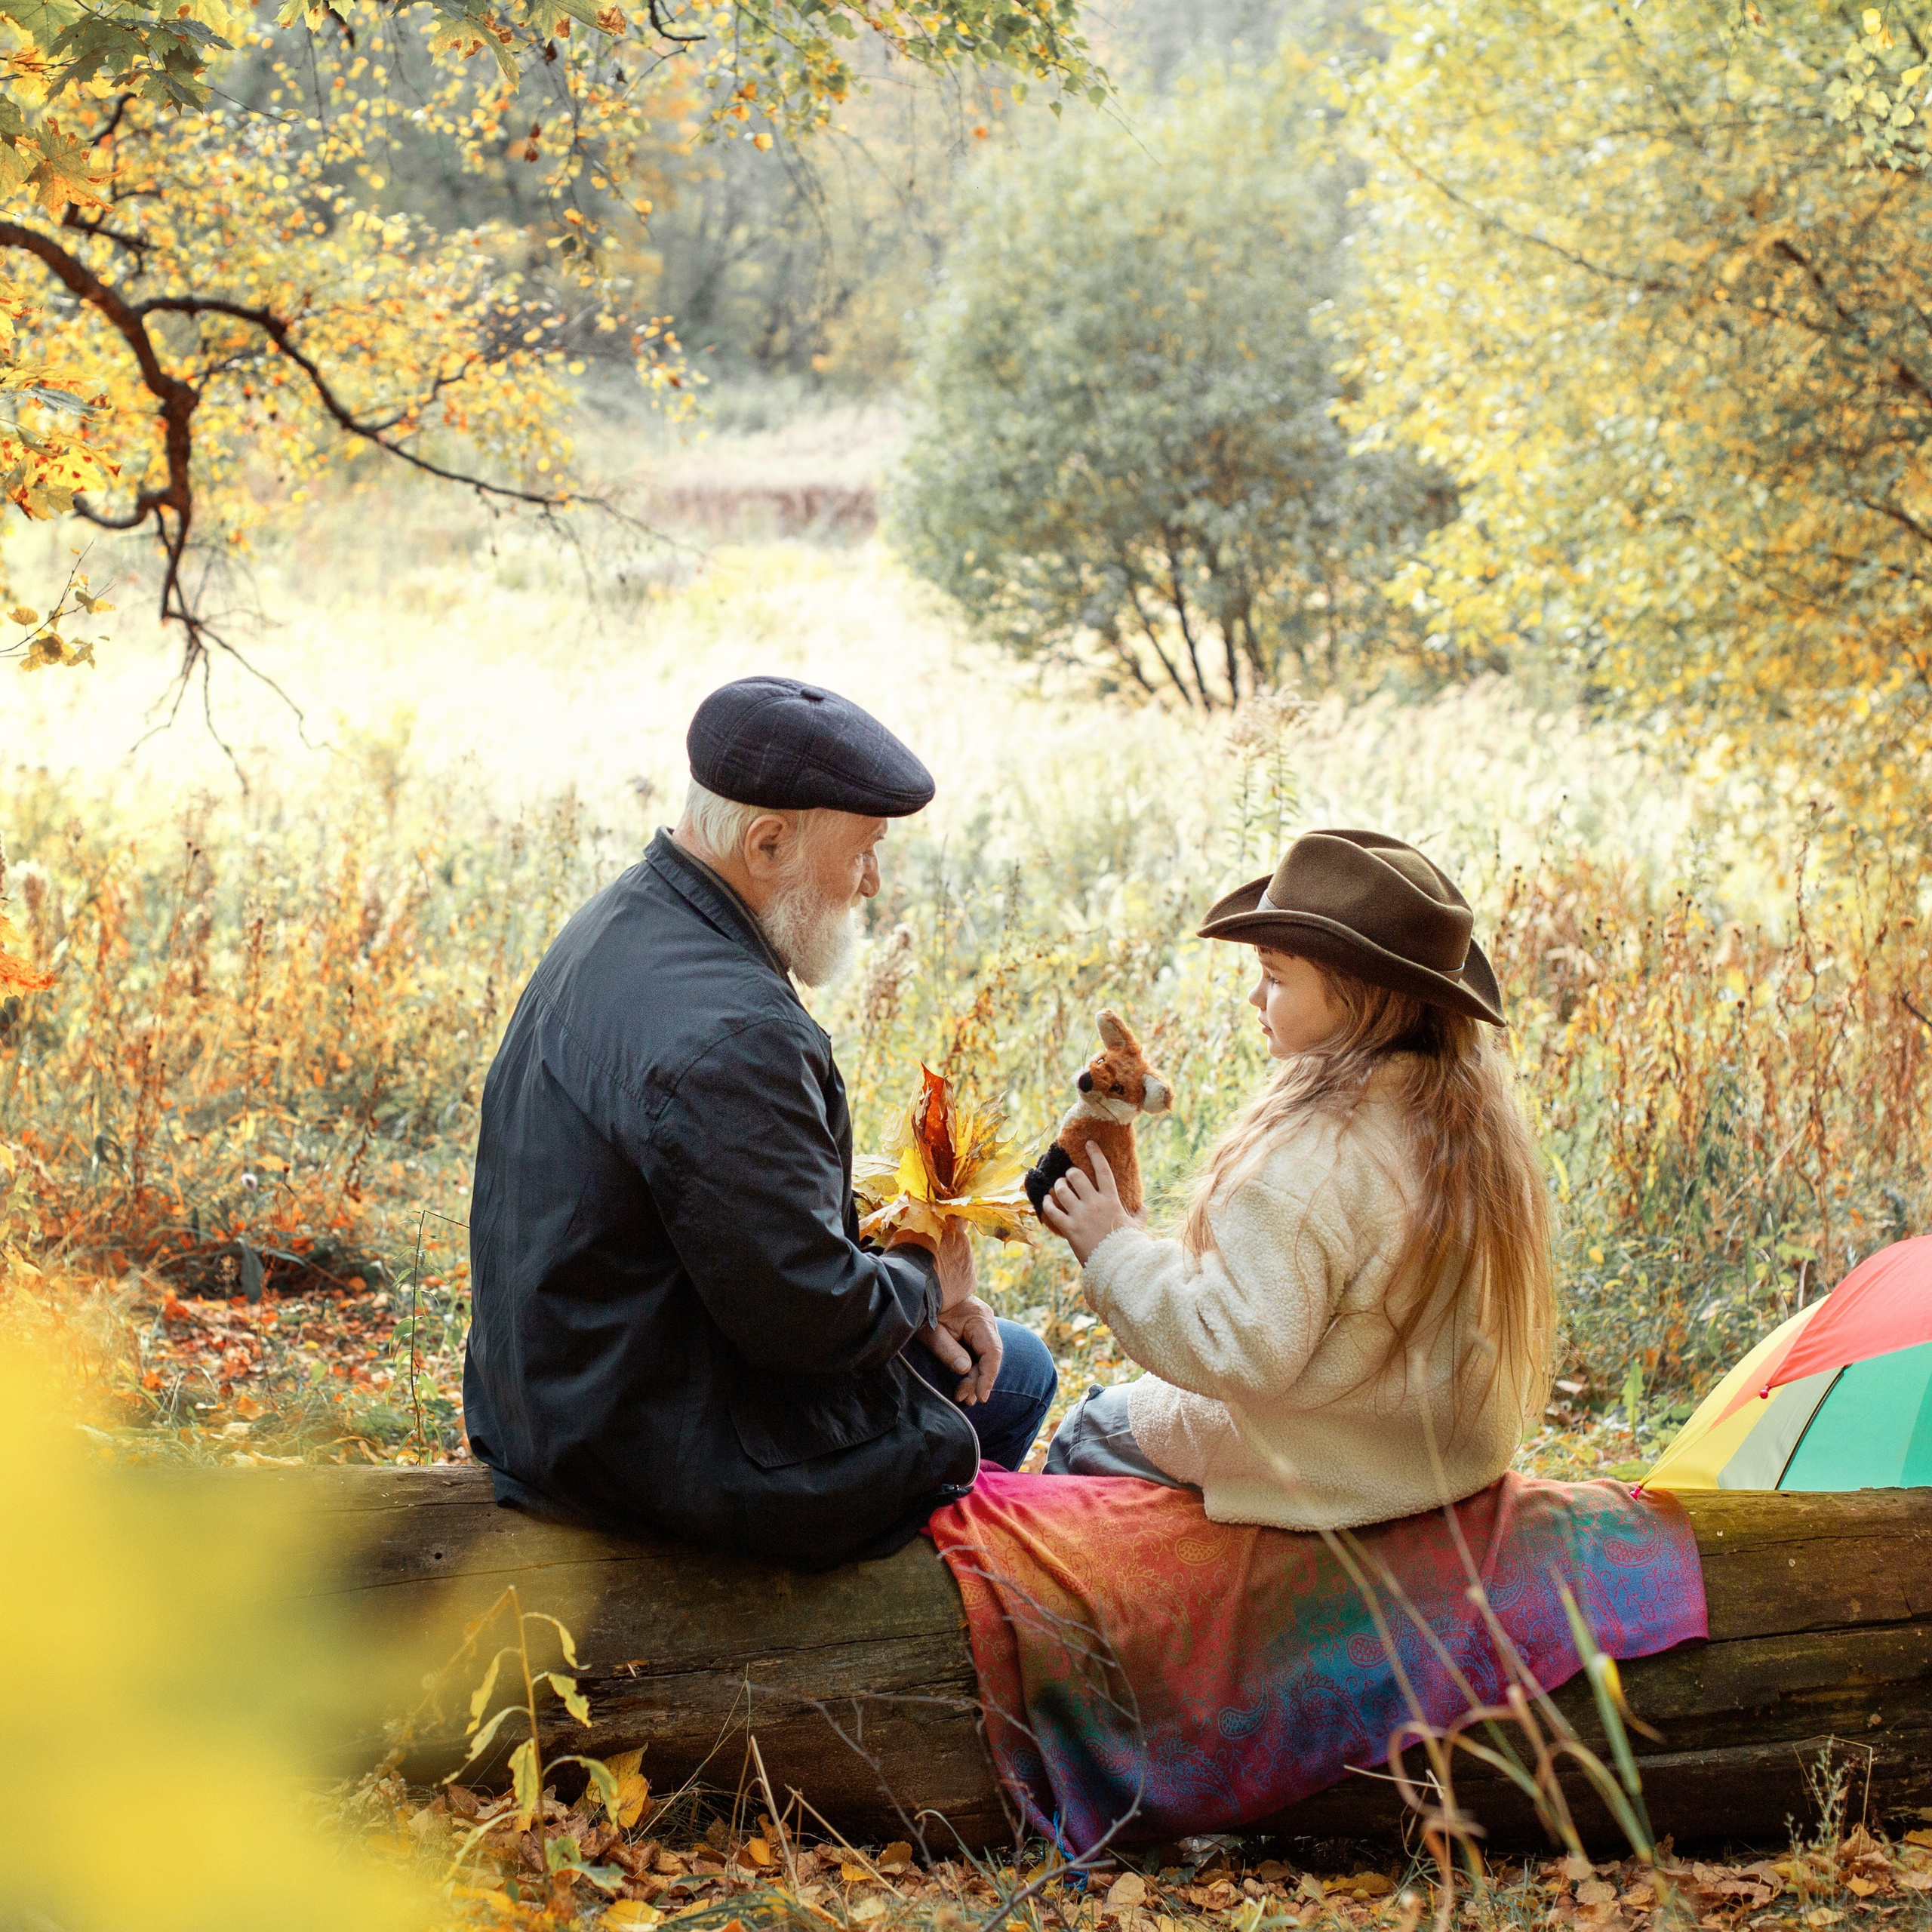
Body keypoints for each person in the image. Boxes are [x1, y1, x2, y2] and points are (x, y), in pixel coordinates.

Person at [462, 675, 1056, 1568]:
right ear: (768, 841)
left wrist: (903, 1299)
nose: (873, 882)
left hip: (558, 1399)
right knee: (1016, 1379)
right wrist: (930, 1275)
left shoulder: (625, 916)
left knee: (990, 1353)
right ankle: (902, 1625)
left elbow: (742, 1232)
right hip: (652, 1454)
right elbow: (809, 1321)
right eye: (863, 850)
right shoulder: (737, 1034)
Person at [1038, 828, 1552, 1530]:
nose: (1255, 997)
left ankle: (1047, 1596)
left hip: (1321, 1465)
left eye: (1275, 977)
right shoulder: (1464, 1126)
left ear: (1360, 998)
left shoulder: (1309, 1165)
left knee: (1090, 1425)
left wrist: (1114, 1249)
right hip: (1434, 1456)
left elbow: (1237, 1351)